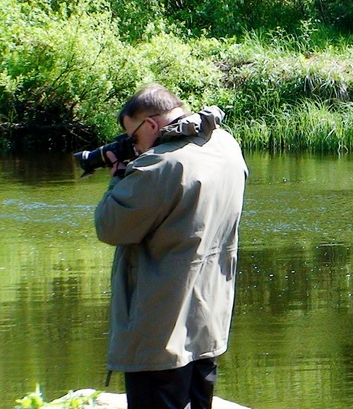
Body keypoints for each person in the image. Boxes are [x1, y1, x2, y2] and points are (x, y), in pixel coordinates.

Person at [94, 84, 248, 409]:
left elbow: (109, 225)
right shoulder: (224, 144)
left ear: (150, 125)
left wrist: (118, 176)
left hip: (159, 334)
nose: (133, 147)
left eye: (132, 138)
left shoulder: (160, 165)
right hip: (206, 325)